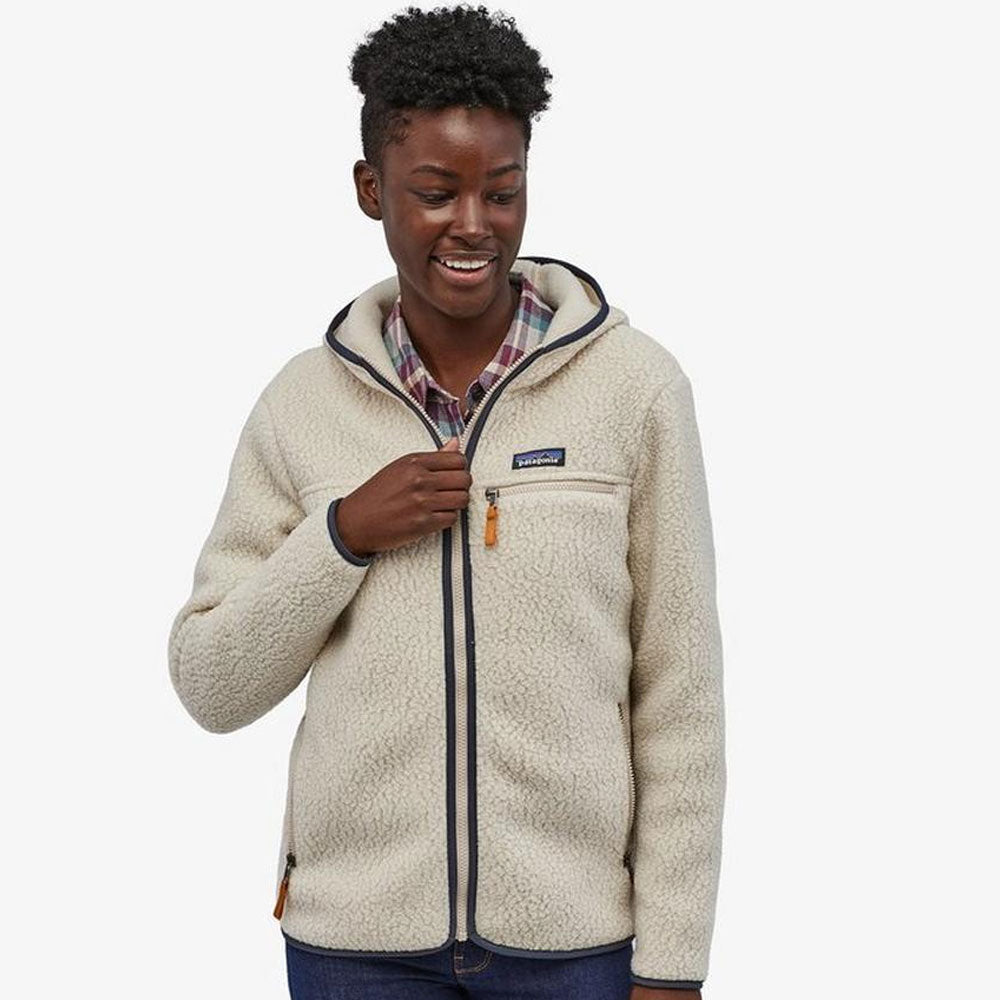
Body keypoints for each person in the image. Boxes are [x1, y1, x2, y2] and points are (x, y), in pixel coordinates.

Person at [167, 5, 726, 999]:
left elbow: (680, 694)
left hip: (574, 947)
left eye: (502, 191)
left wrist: (674, 962)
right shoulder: (300, 405)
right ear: (371, 189)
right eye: (435, 192)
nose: (473, 223)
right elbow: (212, 683)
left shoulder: (635, 390)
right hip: (355, 948)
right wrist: (342, 535)